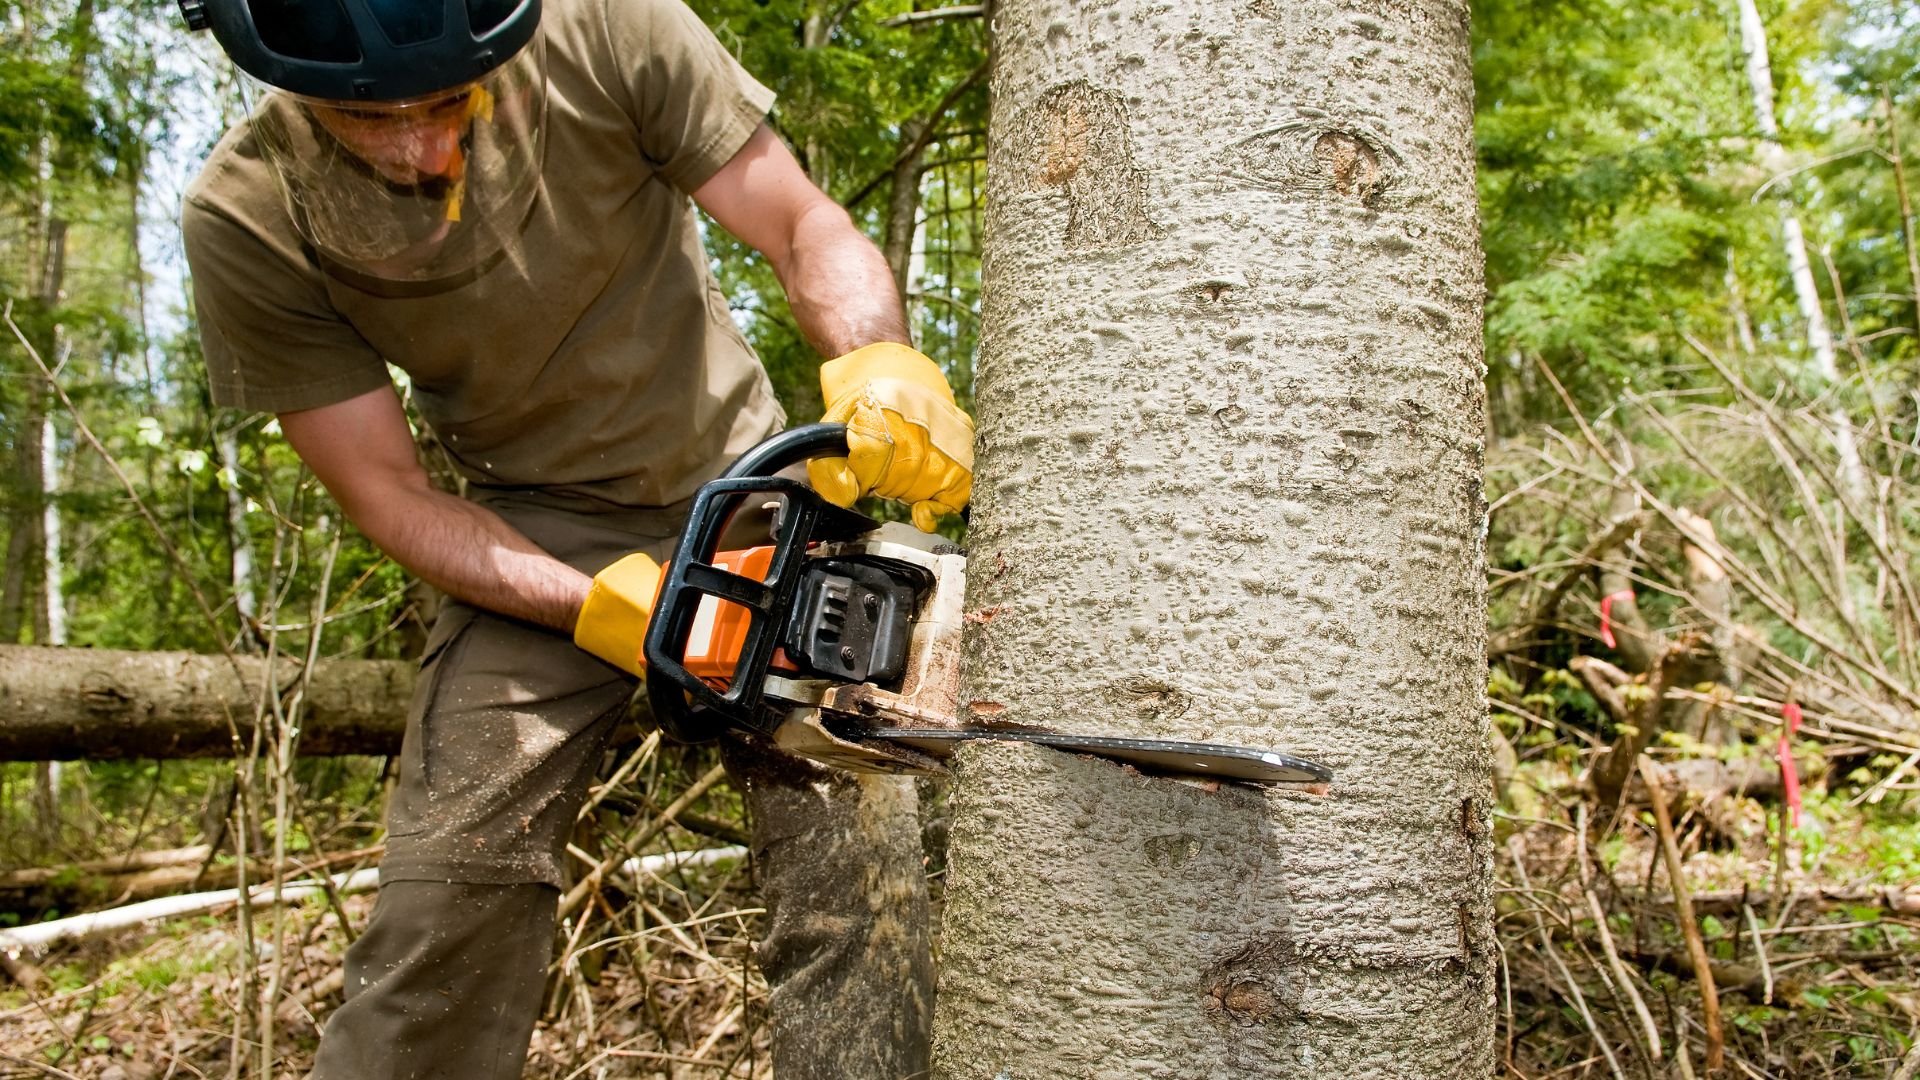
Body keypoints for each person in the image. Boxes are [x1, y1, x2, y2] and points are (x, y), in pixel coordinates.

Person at [176, 0, 973, 1075]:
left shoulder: (608, 26)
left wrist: (879, 364)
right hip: (522, 541)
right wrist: (588, 605)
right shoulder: (248, 214)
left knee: (854, 867)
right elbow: (389, 494)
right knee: (448, 891)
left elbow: (799, 225)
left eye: (450, 101)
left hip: (745, 502)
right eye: (371, 120)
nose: (424, 148)